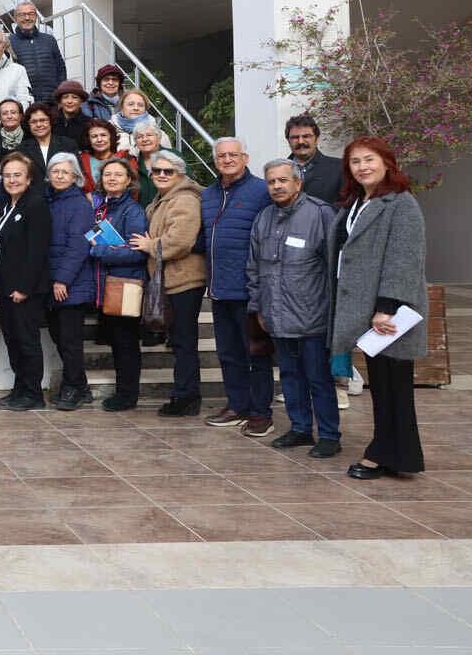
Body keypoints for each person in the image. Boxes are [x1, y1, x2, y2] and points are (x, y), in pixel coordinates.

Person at [330, 137, 427, 480]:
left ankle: (384, 454)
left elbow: (404, 259)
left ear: (387, 162)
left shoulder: (401, 203)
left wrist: (386, 307)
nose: (362, 167)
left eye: (369, 159)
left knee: (395, 388)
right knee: (382, 387)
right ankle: (394, 454)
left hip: (390, 314)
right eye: (355, 162)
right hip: (366, 309)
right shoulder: (358, 202)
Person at [247, 158, 341, 457]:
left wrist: (334, 311)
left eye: (283, 180)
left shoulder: (321, 214)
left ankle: (329, 435)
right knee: (289, 376)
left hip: (312, 316)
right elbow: (253, 267)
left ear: (298, 182)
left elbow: (335, 268)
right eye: (271, 181)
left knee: (318, 377)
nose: (277, 186)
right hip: (276, 316)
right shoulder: (263, 218)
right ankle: (300, 428)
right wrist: (258, 307)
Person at [196, 136, 276, 436]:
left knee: (256, 353)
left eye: (233, 155)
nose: (227, 160)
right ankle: (237, 405)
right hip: (219, 288)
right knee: (229, 353)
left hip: (250, 290)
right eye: (221, 156)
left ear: (245, 157)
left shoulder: (260, 191)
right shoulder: (209, 194)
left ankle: (260, 412)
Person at [128, 150, 207, 417]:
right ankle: (183, 394)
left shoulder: (184, 200)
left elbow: (179, 241)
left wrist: (149, 244)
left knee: (184, 342)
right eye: (157, 171)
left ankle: (186, 398)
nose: (161, 175)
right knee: (179, 341)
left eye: (168, 171)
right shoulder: (161, 200)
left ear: (180, 174)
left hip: (184, 280)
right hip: (169, 280)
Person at [0, 153, 52, 411]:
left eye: (17, 175)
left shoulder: (35, 204)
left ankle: (33, 393)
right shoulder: (4, 205)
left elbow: (37, 251)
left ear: (29, 178)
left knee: (26, 341)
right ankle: (20, 388)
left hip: (25, 290)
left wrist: (24, 288)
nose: (11, 180)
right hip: (3, 288)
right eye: (7, 175)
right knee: (13, 341)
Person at [89, 158, 150, 411]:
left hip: (125, 285)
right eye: (107, 175)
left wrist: (99, 252)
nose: (112, 179)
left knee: (125, 343)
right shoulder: (103, 207)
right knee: (117, 341)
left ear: (128, 180)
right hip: (107, 285)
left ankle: (127, 395)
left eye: (118, 175)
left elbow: (137, 253)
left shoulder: (132, 210)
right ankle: (123, 391)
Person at [44, 154, 97, 411]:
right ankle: (82, 386)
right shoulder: (48, 199)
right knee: (60, 338)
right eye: (55, 171)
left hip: (70, 284)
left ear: (76, 176)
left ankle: (72, 388)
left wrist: (61, 280)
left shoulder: (80, 204)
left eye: (66, 172)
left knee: (70, 341)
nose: (60, 175)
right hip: (53, 281)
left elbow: (78, 245)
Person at [8, 2, 66, 103]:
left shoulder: (49, 40)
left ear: (36, 17)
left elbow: (60, 68)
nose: (27, 18)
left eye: (31, 14)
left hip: (51, 101)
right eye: (22, 15)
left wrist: (60, 92)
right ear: (15, 18)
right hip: (25, 101)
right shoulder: (9, 42)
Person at [287, 113, 343, 205]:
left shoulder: (339, 168)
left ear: (317, 139)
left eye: (306, 136)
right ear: (289, 141)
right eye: (295, 137)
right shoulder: (278, 171)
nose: (300, 141)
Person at [23, 101, 79, 183]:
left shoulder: (68, 145)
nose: (38, 125)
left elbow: (76, 174)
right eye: (33, 122)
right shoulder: (22, 149)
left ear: (50, 121)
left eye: (43, 120)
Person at [77, 118, 134, 193]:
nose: (99, 139)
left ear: (111, 137)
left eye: (103, 135)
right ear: (88, 139)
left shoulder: (126, 159)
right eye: (94, 136)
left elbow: (133, 191)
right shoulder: (80, 160)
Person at [113, 88, 169, 153]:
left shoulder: (160, 135)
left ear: (145, 109)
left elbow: (169, 160)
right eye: (131, 104)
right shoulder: (108, 132)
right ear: (122, 107)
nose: (136, 108)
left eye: (140, 105)